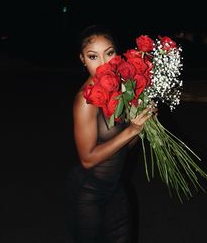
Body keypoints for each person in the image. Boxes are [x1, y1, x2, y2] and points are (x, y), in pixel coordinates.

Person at [63, 24, 157, 243]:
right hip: (88, 195)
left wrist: (142, 126)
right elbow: (87, 159)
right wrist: (131, 130)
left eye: (109, 53)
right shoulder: (84, 102)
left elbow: (121, 148)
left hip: (115, 189)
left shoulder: (121, 89)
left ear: (118, 53)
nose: (104, 63)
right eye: (93, 56)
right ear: (82, 59)